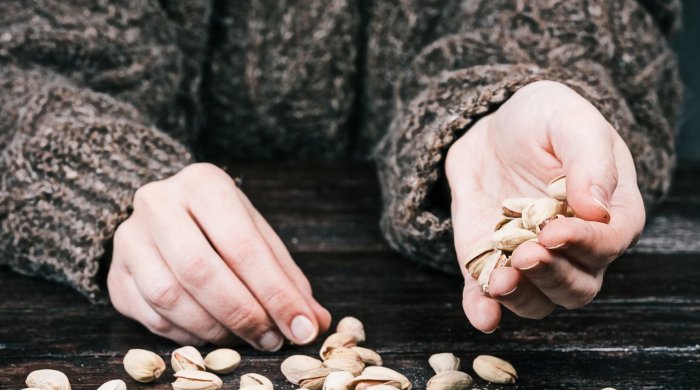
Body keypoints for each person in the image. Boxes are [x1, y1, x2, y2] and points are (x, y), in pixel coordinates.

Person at [0, 1, 682, 350]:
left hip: (433, 296)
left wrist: (512, 99)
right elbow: (24, 60)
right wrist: (97, 173)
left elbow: (582, 23)